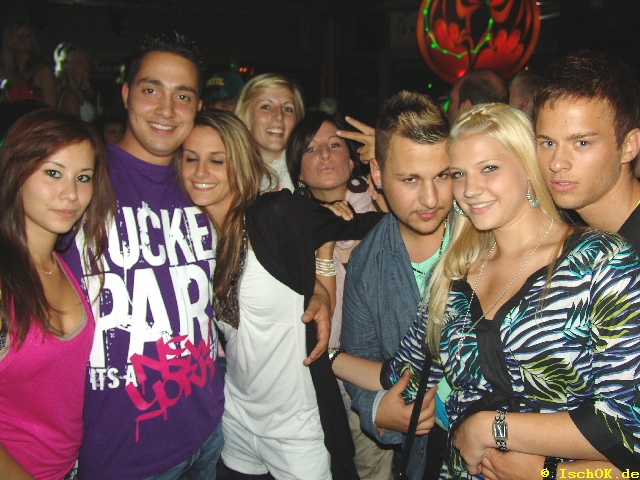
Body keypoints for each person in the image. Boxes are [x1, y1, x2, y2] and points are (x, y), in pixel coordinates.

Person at [381, 103, 640, 479]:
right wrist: (325, 355)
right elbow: (405, 374)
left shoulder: (599, 261)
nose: (470, 190)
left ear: (528, 169)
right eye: (459, 174)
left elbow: (626, 424)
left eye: (489, 168)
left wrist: (491, 428)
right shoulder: (451, 278)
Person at [179, 109, 382, 479]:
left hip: (296, 431)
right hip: (237, 420)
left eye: (216, 160)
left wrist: (388, 161)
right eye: (191, 159)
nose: (200, 172)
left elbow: (378, 222)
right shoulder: (193, 233)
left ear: (240, 163)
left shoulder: (272, 214)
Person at [60, 33, 228, 480]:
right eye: (151, 90)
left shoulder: (205, 182)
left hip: (210, 430)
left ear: (197, 106)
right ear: (125, 94)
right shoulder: (82, 178)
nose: (166, 110)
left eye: (183, 96)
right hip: (120, 453)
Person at [339, 91, 452, 480]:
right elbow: (361, 356)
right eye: (410, 179)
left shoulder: (485, 232)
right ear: (377, 173)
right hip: (431, 452)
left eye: (442, 175)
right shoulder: (367, 264)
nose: (430, 198)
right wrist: (377, 409)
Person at [0, 109, 113, 479]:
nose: (71, 194)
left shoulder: (63, 264)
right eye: (53, 173)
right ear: (16, 171)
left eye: (83, 177)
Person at [534, 50, 640, 253]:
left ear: (629, 146)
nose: (556, 163)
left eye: (582, 143)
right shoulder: (569, 239)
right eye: (548, 144)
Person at [234, 72, 304, 192]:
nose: (279, 116)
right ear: (246, 118)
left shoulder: (308, 173)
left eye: (287, 109)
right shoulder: (227, 173)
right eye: (266, 107)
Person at [0, 20, 57, 108]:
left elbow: (51, 109)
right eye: (17, 36)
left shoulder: (42, 71)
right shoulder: (7, 75)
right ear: (9, 41)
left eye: (27, 36)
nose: (23, 39)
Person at [54, 43, 96, 123]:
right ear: (68, 65)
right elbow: (74, 126)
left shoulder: (78, 92)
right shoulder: (70, 95)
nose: (86, 64)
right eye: (80, 61)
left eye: (86, 61)